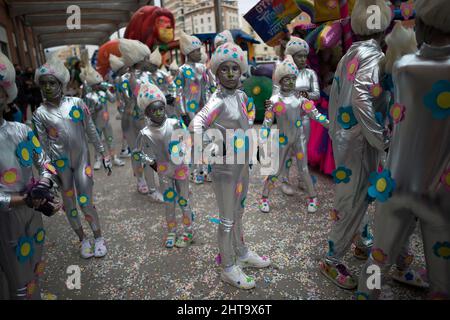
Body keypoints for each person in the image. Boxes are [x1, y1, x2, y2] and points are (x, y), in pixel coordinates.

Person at [356, 0, 450, 299]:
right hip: (439, 194)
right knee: (442, 278)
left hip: (394, 185)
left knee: (378, 261)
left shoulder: (403, 67)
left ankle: (366, 295)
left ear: (424, 25)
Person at [319, 0, 392, 290]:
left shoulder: (350, 54)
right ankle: (332, 257)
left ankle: (362, 240)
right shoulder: (373, 57)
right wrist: (381, 138)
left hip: (345, 137)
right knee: (353, 196)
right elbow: (362, 98)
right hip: (360, 139)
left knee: (355, 192)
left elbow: (340, 98)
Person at [190, 42, 269, 290]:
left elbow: (246, 123)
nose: (232, 73)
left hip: (242, 165)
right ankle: (227, 266)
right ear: (216, 72)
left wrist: (253, 149)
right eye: (225, 69)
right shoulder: (218, 100)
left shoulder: (242, 96)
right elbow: (196, 124)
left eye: (235, 68)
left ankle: (241, 252)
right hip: (225, 168)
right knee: (226, 219)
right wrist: (214, 147)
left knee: (239, 213)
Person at [32, 55, 112, 259]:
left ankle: (98, 237)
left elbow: (91, 129)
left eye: (52, 82)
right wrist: (48, 175)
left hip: (82, 161)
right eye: (44, 84)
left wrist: (103, 152)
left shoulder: (77, 103)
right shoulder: (39, 114)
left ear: (61, 82)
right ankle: (83, 239)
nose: (48, 87)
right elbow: (41, 148)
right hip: (60, 167)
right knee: (69, 205)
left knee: (86, 202)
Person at [0, 52, 60, 299]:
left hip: (33, 212)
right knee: (16, 277)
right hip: (5, 221)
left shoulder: (22, 131)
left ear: (6, 94)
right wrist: (20, 200)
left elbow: (47, 162)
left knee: (36, 259)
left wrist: (44, 184)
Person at [259, 55, 329, 214]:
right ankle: (264, 197)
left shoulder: (301, 99)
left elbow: (316, 115)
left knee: (303, 168)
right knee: (276, 170)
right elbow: (267, 123)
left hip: (299, 139)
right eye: (286, 79)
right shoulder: (275, 100)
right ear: (280, 80)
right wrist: (262, 139)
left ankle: (312, 197)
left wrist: (331, 125)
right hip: (283, 140)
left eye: (293, 78)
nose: (290, 82)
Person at [135, 82, 194, 248]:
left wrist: (183, 153)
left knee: (184, 200)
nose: (159, 112)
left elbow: (187, 139)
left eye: (161, 108)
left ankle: (188, 230)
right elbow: (139, 153)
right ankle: (171, 231)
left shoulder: (174, 123)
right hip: (163, 172)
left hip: (180, 168)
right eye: (154, 110)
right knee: (169, 203)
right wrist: (152, 163)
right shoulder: (145, 133)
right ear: (147, 112)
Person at [110, 39, 163, 202]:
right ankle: (143, 182)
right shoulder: (127, 78)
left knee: (146, 151)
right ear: (138, 59)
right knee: (139, 151)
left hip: (140, 117)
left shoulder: (146, 76)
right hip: (135, 119)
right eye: (145, 57)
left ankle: (148, 182)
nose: (148, 60)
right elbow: (128, 98)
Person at [175, 31, 215, 184]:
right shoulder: (182, 71)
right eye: (197, 50)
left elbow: (212, 87)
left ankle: (206, 170)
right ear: (188, 52)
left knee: (207, 140)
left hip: (204, 109)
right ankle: (194, 172)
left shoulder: (203, 68)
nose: (200, 53)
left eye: (200, 50)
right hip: (190, 111)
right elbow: (178, 92)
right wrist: (183, 112)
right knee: (194, 142)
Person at [80, 64, 125, 168]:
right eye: (96, 84)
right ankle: (98, 159)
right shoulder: (88, 96)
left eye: (99, 83)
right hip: (96, 123)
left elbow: (113, 99)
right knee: (98, 142)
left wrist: (106, 90)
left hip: (106, 122)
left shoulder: (103, 92)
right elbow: (87, 111)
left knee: (110, 139)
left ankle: (114, 157)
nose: (99, 85)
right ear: (91, 85)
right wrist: (95, 108)